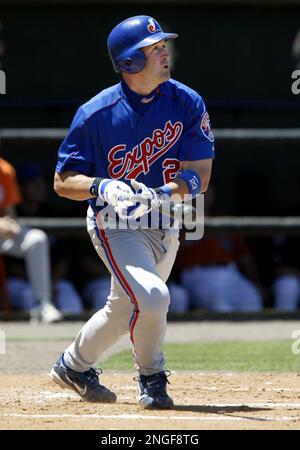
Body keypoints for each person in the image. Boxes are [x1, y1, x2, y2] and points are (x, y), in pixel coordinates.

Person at [50, 15, 214, 409]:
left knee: (125, 308)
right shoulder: (95, 113)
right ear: (129, 63)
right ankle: (152, 378)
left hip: (165, 219)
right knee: (154, 298)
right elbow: (62, 181)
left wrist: (160, 193)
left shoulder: (186, 101)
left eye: (163, 46)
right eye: (153, 48)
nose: (164, 52)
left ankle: (73, 366)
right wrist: (101, 185)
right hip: (114, 222)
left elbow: (200, 176)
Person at [0, 156, 62, 323]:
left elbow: (9, 213)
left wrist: (10, 223)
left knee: (36, 238)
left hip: (1, 235)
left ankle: (44, 304)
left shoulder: (4, 170)